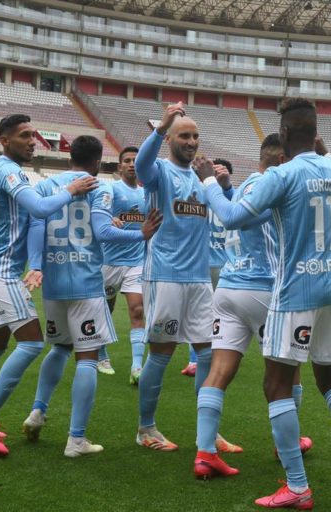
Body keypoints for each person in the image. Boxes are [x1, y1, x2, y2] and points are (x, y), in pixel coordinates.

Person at [198, 98, 331, 508]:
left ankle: (297, 486)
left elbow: (229, 216)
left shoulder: (279, 174)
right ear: (315, 134)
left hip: (293, 290)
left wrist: (210, 181)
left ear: (282, 135)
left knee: (276, 383)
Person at [0, 114, 98, 457]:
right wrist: (71, 189)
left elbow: (33, 214)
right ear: (4, 140)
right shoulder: (8, 170)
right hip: (0, 272)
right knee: (32, 344)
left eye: (33, 134)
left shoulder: (7, 170)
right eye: (24, 136)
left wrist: (34, 263)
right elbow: (39, 207)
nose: (33, 141)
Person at [21, 136, 162, 457]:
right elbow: (102, 232)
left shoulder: (47, 185)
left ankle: (38, 411)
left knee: (59, 348)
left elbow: (36, 224)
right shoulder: (101, 188)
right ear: (98, 161)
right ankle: (76, 439)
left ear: (70, 155)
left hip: (55, 281)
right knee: (87, 357)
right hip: (85, 280)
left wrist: (37, 265)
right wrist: (139, 234)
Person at [194, 134, 312, 480]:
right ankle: (285, 444)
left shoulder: (246, 186)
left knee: (219, 371)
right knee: (289, 372)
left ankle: (204, 453)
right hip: (265, 290)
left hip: (229, 288)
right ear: (279, 160)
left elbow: (238, 214)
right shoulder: (276, 185)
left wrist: (224, 188)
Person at [134, 101, 214, 452]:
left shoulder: (199, 179)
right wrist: (161, 126)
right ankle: (146, 429)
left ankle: (206, 432)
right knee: (162, 353)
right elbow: (140, 166)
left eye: (195, 136)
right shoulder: (160, 173)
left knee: (209, 353)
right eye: (184, 135)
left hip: (199, 280)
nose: (191, 141)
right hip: (165, 275)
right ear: (170, 139)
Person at [99, 146, 149, 385]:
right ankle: (101, 355)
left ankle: (137, 366)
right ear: (119, 167)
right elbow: (97, 215)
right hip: (109, 261)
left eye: (135, 161)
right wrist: (109, 218)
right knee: (104, 311)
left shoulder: (146, 193)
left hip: (136, 261)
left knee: (138, 310)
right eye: (127, 160)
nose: (131, 164)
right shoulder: (110, 189)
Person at [181, 158, 234, 379]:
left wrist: (226, 186)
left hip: (219, 266)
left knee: (209, 315)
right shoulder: (208, 195)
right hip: (207, 265)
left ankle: (203, 359)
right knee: (204, 315)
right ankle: (200, 359)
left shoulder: (221, 196)